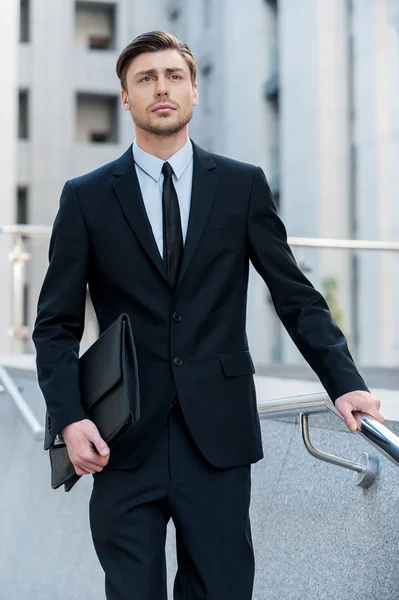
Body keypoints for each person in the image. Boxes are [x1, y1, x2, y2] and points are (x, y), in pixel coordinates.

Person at [32, 30, 385, 600]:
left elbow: (294, 295)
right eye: (145, 79)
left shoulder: (242, 186)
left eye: (174, 76)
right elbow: (55, 325)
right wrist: (69, 420)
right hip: (121, 439)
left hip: (216, 438)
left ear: (195, 92)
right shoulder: (86, 196)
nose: (161, 88)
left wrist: (345, 383)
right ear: (126, 98)